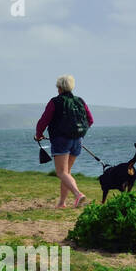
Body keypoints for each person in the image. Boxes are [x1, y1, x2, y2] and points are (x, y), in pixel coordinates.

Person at [35, 75, 94, 209]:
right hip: (78, 140)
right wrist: (79, 133)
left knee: (61, 173)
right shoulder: (80, 101)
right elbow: (90, 120)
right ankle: (62, 203)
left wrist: (39, 135)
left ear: (59, 88)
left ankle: (78, 194)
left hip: (61, 140)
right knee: (66, 172)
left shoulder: (55, 102)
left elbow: (43, 121)